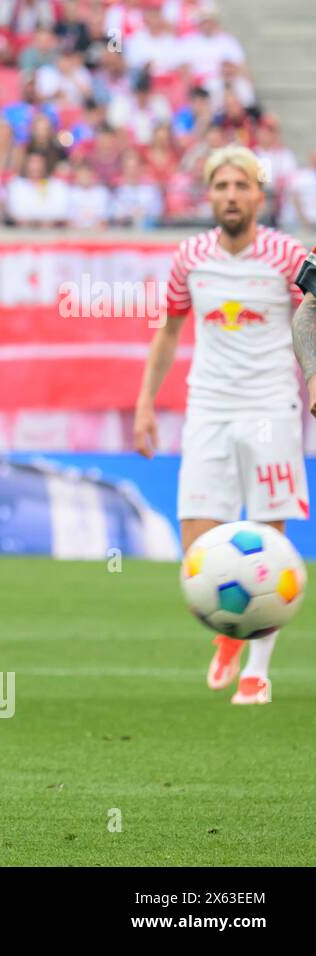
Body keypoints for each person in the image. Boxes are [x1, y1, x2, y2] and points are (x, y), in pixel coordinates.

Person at [134, 146, 309, 706]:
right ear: (209, 195)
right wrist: (145, 402)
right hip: (207, 407)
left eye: (241, 186)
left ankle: (257, 671)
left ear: (259, 195)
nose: (231, 196)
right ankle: (231, 629)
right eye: (222, 186)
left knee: (268, 540)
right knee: (197, 550)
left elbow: (313, 316)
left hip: (270, 407)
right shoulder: (189, 257)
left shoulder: (287, 254)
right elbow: (168, 331)